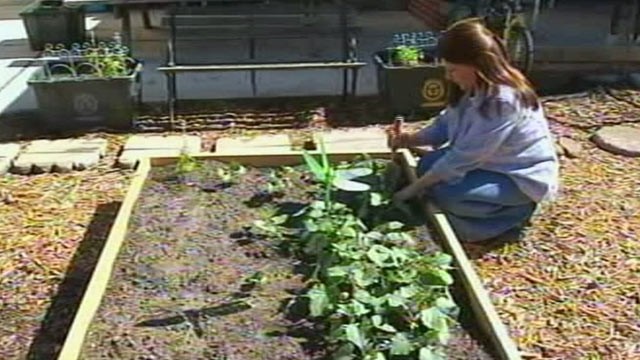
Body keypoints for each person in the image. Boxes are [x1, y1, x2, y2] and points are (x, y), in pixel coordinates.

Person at [388, 18, 560, 243]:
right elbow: (443, 127)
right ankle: (479, 216)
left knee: (448, 195)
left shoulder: (503, 102)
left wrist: (410, 191)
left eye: (453, 70)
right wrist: (407, 139)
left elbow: (462, 158)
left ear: (479, 65)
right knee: (427, 167)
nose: (449, 77)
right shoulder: (472, 88)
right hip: (489, 164)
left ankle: (516, 215)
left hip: (517, 177)